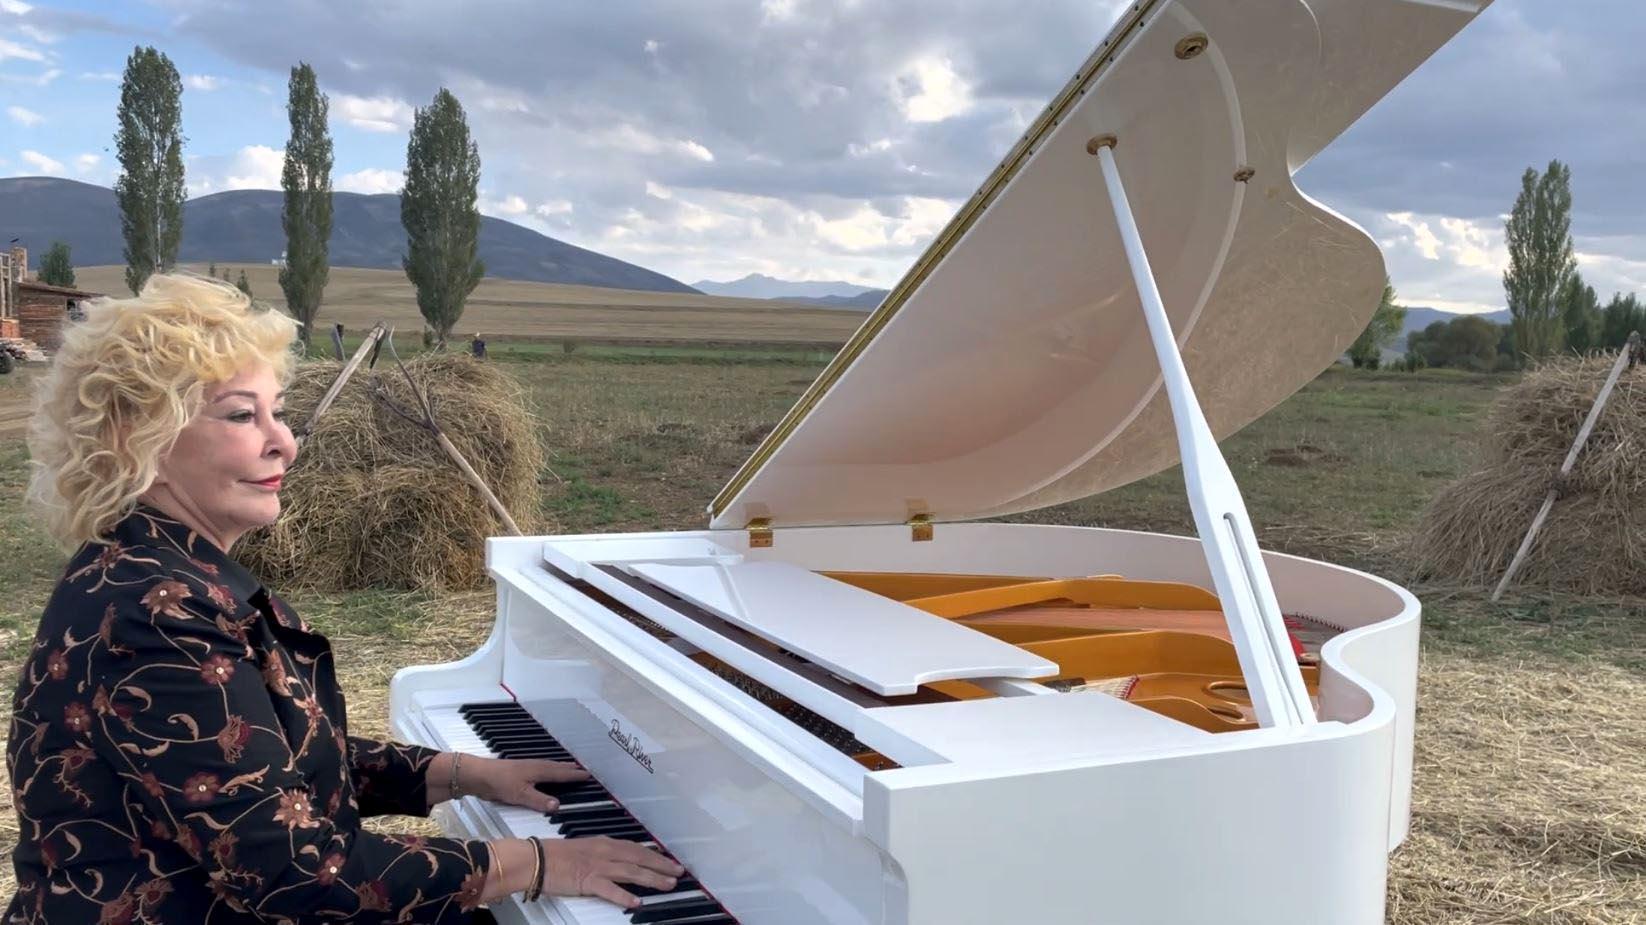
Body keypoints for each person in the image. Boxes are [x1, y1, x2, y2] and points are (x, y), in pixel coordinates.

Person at [7, 275, 682, 923]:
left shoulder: (148, 570)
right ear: (138, 438)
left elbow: (258, 763)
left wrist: (466, 772)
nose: (286, 442)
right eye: (243, 414)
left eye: (279, 412)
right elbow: (298, 873)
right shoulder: (156, 608)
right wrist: (538, 862)